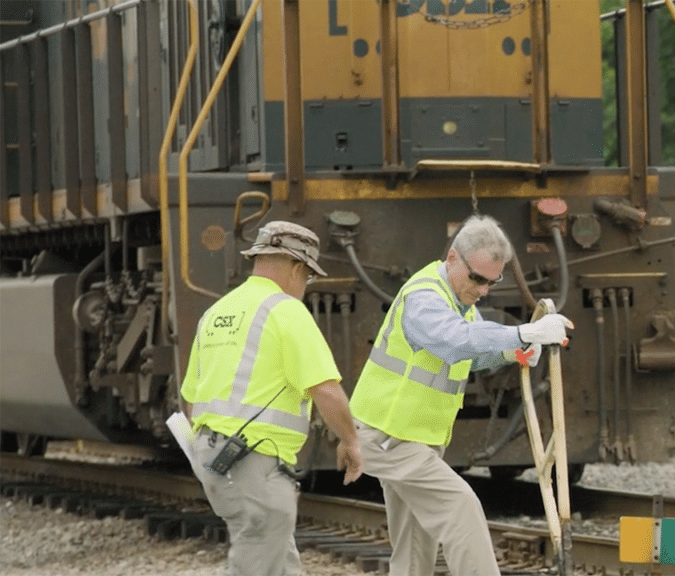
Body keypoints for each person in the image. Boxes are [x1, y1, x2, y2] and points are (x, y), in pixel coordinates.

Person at [348, 214, 574, 576]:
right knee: (462, 509)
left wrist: (515, 351)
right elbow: (454, 342)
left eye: (492, 282)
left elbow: (471, 352)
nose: (483, 290)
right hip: (389, 436)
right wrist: (523, 333)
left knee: (414, 546)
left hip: (409, 437)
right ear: (452, 258)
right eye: (477, 279)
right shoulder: (424, 298)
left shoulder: (458, 303)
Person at [180, 220, 363, 576]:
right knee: (260, 562)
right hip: (255, 462)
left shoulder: (215, 313)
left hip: (215, 459)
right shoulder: (286, 311)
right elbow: (325, 388)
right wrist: (351, 441)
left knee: (276, 560)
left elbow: (191, 401)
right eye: (308, 277)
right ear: (297, 267)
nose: (305, 286)